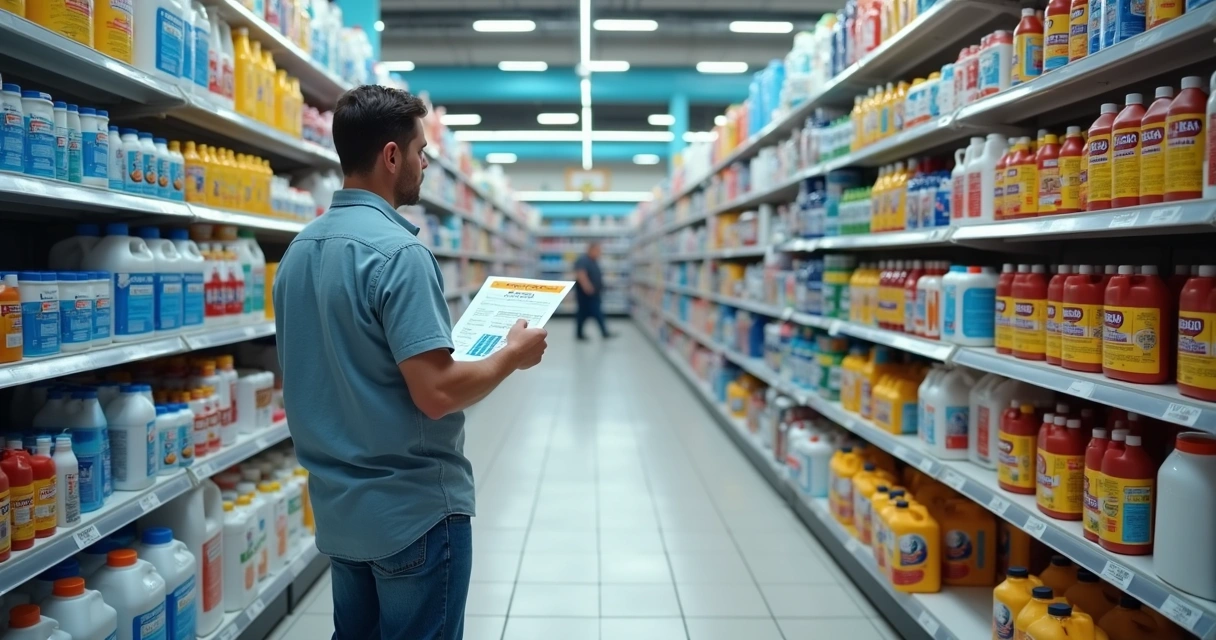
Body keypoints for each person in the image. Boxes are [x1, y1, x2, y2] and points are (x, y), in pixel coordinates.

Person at [272, 85, 548, 640]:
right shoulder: (401, 254)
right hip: (412, 514)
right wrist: (511, 357)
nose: (425, 164)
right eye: (422, 151)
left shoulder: (297, 252)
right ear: (391, 156)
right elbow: (436, 393)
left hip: (339, 508)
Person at [574, 241, 614, 340]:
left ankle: (580, 334)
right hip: (587, 294)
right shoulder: (583, 260)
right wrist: (587, 287)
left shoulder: (593, 260)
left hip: (593, 293)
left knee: (583, 314)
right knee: (596, 312)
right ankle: (604, 332)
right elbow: (581, 274)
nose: (599, 253)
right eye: (598, 251)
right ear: (591, 250)